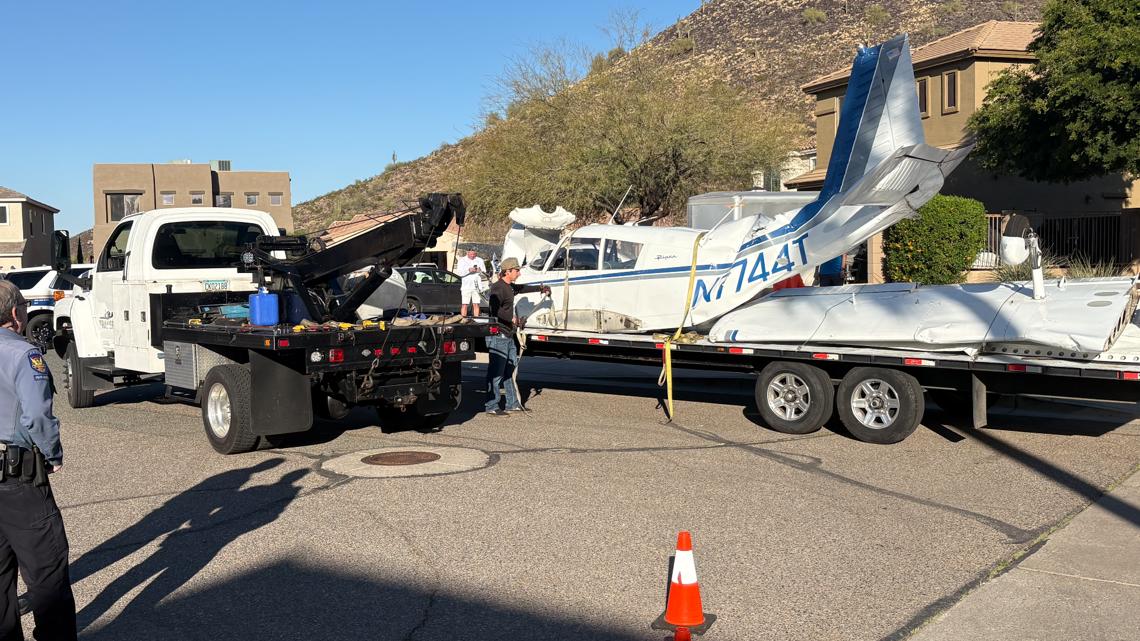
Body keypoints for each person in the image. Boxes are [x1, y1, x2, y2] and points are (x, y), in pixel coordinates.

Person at [0, 280, 76, 641]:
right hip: (18, 480)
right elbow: (37, 416)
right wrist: (52, 454)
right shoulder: (23, 355)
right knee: (46, 572)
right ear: (16, 314)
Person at [484, 258, 549, 416]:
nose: (519, 273)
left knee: (511, 371)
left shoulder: (509, 287)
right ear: (508, 271)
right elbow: (494, 309)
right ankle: (491, 406)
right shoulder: (498, 288)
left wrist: (540, 288)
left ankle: (512, 403)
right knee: (496, 373)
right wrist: (512, 319)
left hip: (508, 333)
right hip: (498, 335)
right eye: (517, 270)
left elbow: (521, 288)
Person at [456, 249, 486, 318]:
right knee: (464, 304)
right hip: (466, 286)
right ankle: (463, 319)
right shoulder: (462, 260)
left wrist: (480, 271)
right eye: (471, 254)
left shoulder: (480, 260)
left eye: (474, 254)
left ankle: (476, 319)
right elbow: (459, 273)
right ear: (467, 253)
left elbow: (484, 273)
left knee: (476, 304)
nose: (472, 256)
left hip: (477, 286)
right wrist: (469, 270)